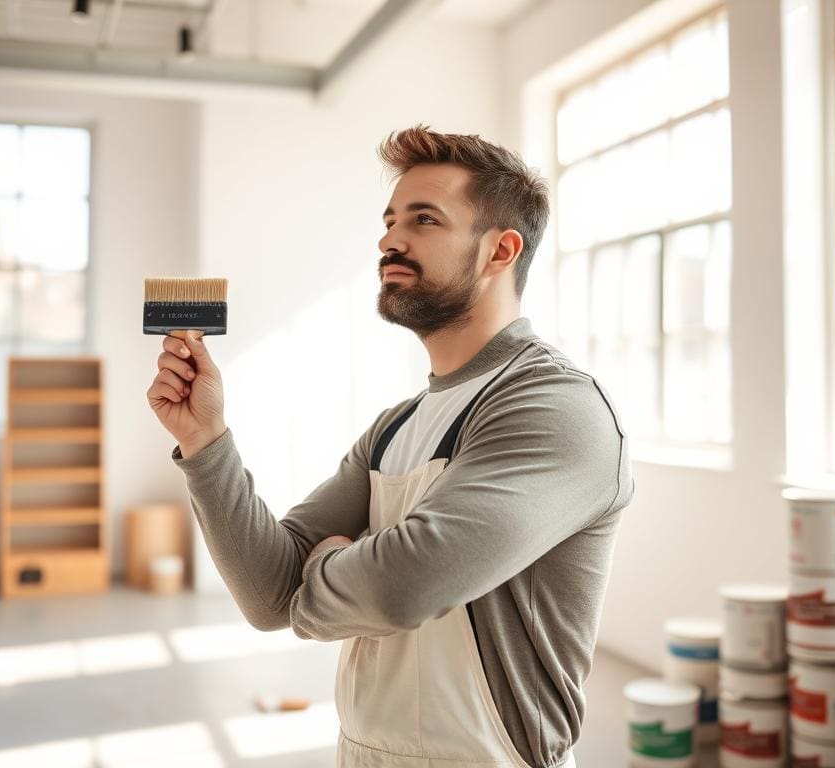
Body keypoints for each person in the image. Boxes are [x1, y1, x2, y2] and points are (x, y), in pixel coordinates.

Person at [147, 125, 634, 768]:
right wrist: (205, 441)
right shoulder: (397, 427)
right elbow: (268, 594)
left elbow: (405, 585)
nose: (389, 240)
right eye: (389, 220)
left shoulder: (554, 407)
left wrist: (318, 571)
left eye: (424, 219)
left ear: (500, 251)